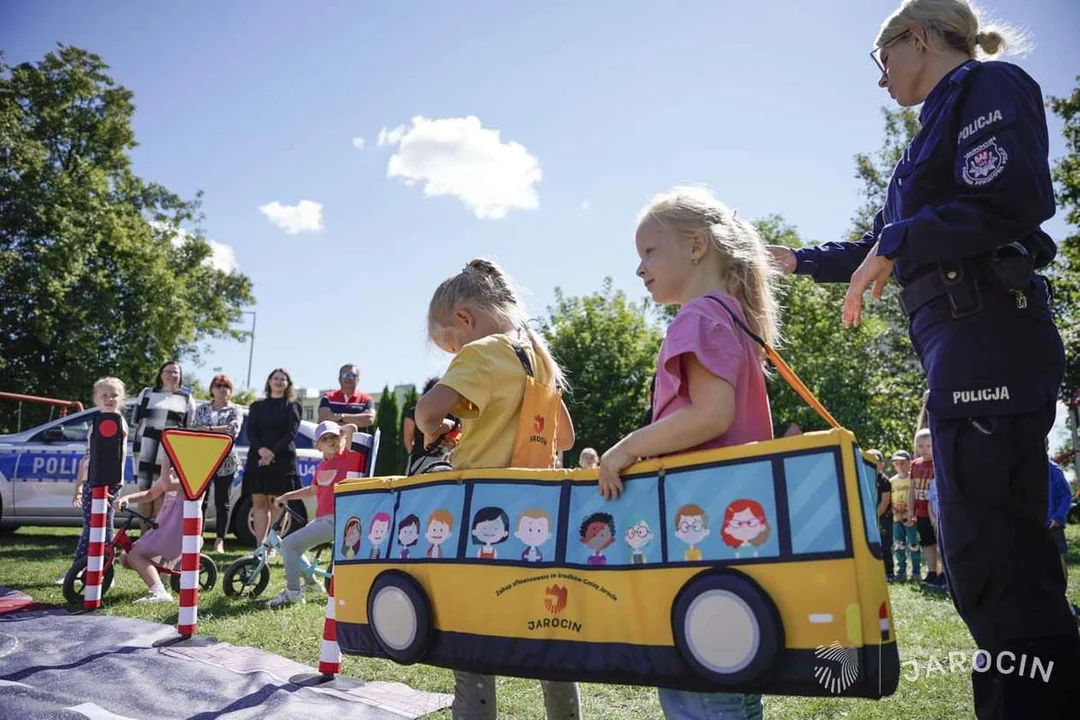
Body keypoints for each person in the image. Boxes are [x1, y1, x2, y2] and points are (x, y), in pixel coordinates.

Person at [767, 1, 1080, 714]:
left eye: (883, 62)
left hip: (989, 338)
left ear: (914, 38)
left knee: (994, 563)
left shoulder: (988, 89)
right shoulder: (924, 140)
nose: (882, 83)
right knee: (994, 561)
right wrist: (788, 260)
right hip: (962, 352)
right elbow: (879, 243)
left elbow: (1011, 197)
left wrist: (898, 242)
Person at [598, 186, 778, 720]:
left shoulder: (699, 317)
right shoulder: (734, 315)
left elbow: (709, 415)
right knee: (731, 675)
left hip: (701, 521)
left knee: (697, 688)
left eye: (649, 252)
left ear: (697, 245)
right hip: (738, 524)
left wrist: (625, 449)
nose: (639, 269)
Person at [414, 258, 579, 720]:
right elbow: (564, 438)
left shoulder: (482, 352)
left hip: (482, 506)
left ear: (464, 320)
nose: (454, 356)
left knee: (472, 632)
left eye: (450, 345)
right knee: (550, 632)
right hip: (538, 510)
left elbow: (426, 411)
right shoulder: (539, 358)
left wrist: (440, 426)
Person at [267, 421, 363, 608]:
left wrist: (341, 432)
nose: (330, 441)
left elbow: (354, 429)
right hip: (322, 520)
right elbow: (311, 491)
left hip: (337, 520)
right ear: (317, 446)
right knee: (294, 546)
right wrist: (287, 496)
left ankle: (293, 593)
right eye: (324, 439)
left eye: (333, 437)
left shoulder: (347, 458)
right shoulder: (321, 467)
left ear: (341, 438)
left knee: (289, 544)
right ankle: (312, 584)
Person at [59, 377, 128, 585]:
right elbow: (87, 458)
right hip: (92, 481)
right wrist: (79, 486)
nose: (109, 399)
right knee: (90, 526)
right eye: (104, 395)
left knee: (104, 528)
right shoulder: (96, 423)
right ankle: (80, 569)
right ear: (96, 399)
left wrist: (117, 482)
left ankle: (103, 570)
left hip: (109, 481)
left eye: (114, 395)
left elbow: (117, 456)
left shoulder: (118, 422)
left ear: (121, 398)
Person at [112, 455, 186, 604]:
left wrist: (166, 456)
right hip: (163, 527)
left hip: (175, 531)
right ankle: (161, 575)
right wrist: (127, 498)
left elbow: (167, 485)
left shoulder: (191, 476)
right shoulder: (172, 472)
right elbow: (151, 494)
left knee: (134, 555)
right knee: (126, 558)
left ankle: (159, 591)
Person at [242, 369, 301, 552]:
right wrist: (262, 451)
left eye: (283, 379)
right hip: (257, 457)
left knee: (277, 503)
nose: (278, 381)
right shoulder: (257, 406)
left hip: (282, 459)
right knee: (259, 503)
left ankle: (272, 546)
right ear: (269, 382)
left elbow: (291, 433)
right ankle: (260, 546)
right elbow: (251, 432)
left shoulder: (293, 405)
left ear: (288, 384)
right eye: (275, 378)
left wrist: (271, 453)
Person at [131, 361, 196, 527]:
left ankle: (156, 538)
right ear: (161, 374)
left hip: (169, 451)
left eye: (176, 372)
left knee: (162, 492)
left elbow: (189, 429)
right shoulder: (146, 393)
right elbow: (136, 421)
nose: (172, 375)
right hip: (145, 445)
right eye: (168, 371)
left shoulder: (187, 398)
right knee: (144, 491)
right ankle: (143, 535)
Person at [193, 373, 242, 554]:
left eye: (226, 386)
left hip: (226, 460)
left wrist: (209, 429)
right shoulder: (202, 408)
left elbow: (233, 429)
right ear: (212, 389)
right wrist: (212, 431)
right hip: (203, 458)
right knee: (201, 500)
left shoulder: (234, 409)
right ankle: (199, 536)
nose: (222, 389)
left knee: (223, 502)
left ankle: (219, 540)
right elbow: (195, 428)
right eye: (218, 385)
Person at [402, 377, 458, 476]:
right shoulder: (414, 412)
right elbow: (408, 440)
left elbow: (408, 440)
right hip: (422, 458)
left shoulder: (416, 412)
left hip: (441, 459)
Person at [910, 428, 943, 586]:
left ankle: (943, 572)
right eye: (920, 445)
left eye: (928, 445)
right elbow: (911, 489)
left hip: (936, 511)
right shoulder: (915, 464)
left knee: (940, 542)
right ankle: (931, 571)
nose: (924, 449)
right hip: (921, 511)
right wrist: (911, 510)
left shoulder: (938, 463)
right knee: (927, 543)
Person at [889, 450, 919, 582]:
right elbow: (889, 499)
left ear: (909, 463)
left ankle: (916, 572)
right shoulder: (891, 481)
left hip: (911, 517)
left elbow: (916, 498)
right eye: (897, 463)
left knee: (913, 544)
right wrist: (896, 513)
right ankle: (901, 571)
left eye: (903, 462)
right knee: (899, 545)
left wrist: (909, 513)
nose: (900, 465)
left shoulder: (912, 479)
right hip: (896, 518)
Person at [318, 364, 376, 429]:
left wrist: (341, 417)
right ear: (339, 379)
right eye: (345, 375)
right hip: (333, 438)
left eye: (352, 375)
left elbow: (369, 419)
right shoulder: (328, 398)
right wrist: (357, 421)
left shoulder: (366, 399)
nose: (348, 378)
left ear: (358, 379)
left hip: (358, 439)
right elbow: (324, 418)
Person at [869, 449, 895, 581]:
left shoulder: (884, 481)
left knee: (885, 546)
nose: (872, 464)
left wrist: (874, 516)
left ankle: (889, 572)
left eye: (876, 461)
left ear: (881, 464)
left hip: (883, 519)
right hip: (868, 519)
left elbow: (885, 502)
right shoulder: (863, 479)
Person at [1047, 449, 1071, 585]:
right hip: (1037, 525)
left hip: (1053, 524)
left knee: (1058, 560)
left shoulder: (1053, 470)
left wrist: (1058, 517)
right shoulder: (1029, 470)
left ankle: (1062, 596)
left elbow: (1066, 496)